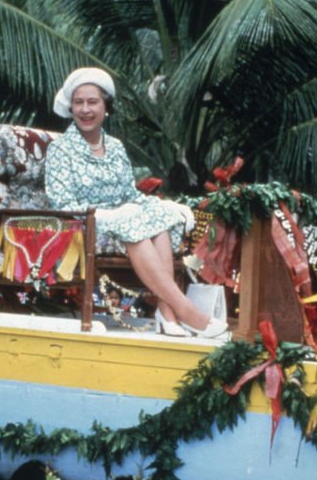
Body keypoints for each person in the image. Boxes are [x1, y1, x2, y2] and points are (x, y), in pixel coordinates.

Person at [45, 68, 229, 339]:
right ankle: (185, 311)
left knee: (159, 217)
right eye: (78, 102)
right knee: (134, 221)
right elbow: (61, 203)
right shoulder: (60, 149)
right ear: (71, 107)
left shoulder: (116, 147)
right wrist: (114, 215)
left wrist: (165, 207)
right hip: (82, 222)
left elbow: (129, 196)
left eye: (92, 102)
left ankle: (166, 316)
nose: (85, 109)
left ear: (106, 107)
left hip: (120, 220)